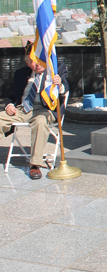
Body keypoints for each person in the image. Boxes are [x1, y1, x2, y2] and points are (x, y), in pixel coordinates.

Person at [0, 42, 68, 179]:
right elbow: (13, 95)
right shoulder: (21, 74)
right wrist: (9, 105)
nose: (37, 65)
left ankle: (35, 164)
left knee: (40, 121)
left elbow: (65, 88)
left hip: (45, 109)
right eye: (33, 62)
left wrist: (59, 83)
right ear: (27, 63)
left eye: (39, 62)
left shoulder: (57, 69)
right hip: (22, 108)